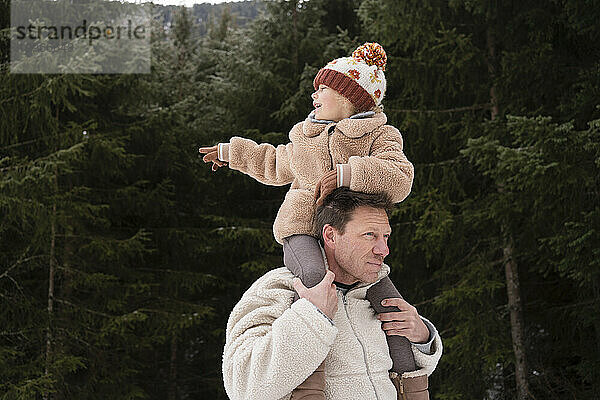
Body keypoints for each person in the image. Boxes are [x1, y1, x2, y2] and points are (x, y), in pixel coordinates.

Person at [201, 43, 418, 397]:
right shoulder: (276, 293)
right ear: (333, 236)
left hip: (349, 218)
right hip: (302, 227)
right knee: (317, 281)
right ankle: (310, 390)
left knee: (392, 306)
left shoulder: (378, 134)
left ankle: (414, 388)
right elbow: (273, 162)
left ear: (350, 97)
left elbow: (399, 177)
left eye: (323, 88)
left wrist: (349, 174)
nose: (314, 94)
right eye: (316, 87)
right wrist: (232, 153)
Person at [222, 188, 443, 400]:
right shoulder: (278, 289)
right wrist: (309, 316)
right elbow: (241, 386)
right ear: (331, 235)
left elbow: (402, 375)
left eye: (385, 236)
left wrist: (422, 337)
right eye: (369, 235)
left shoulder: (377, 297)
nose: (383, 249)